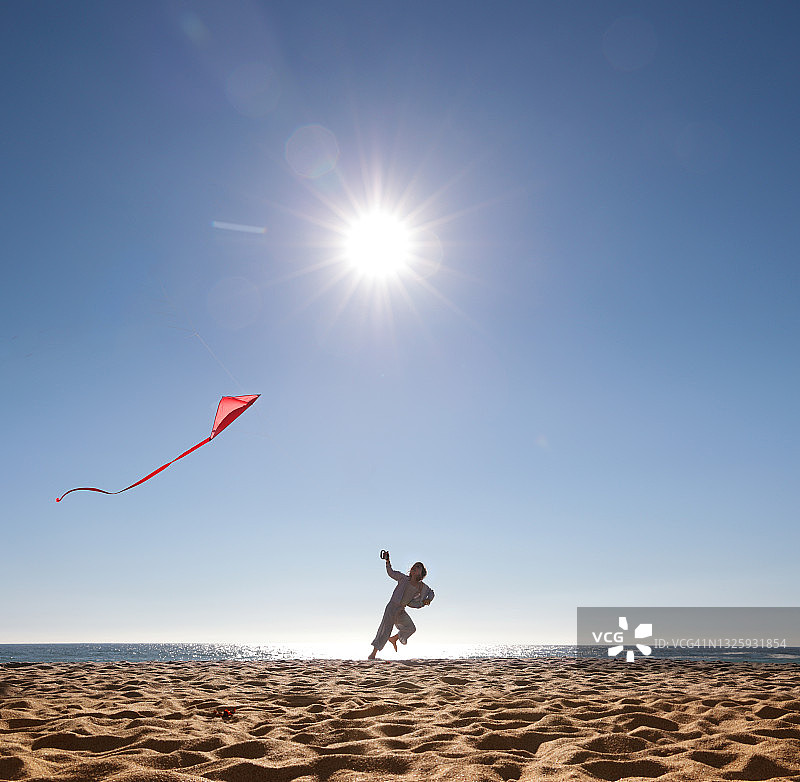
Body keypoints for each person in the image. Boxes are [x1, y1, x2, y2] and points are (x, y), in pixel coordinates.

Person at [368, 550, 432, 660]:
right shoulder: (403, 578)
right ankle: (373, 654)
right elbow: (391, 572)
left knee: (411, 628)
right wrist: (387, 561)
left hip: (401, 610)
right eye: (414, 566)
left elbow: (431, 592)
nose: (415, 567)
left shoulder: (421, 586)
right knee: (385, 630)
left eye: (418, 567)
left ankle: (394, 639)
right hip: (392, 607)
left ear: (421, 574)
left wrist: (428, 600)